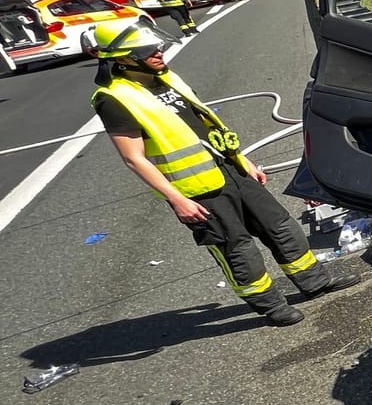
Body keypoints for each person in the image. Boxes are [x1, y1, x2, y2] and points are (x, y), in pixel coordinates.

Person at [84, 18, 352, 326]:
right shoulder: (115, 98)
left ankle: (314, 282)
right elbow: (134, 158)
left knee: (280, 226)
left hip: (229, 169)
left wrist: (241, 160)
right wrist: (176, 199)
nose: (158, 52)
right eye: (147, 50)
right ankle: (271, 306)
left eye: (156, 46)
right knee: (237, 249)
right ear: (123, 58)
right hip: (196, 189)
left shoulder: (166, 78)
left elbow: (204, 125)